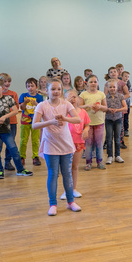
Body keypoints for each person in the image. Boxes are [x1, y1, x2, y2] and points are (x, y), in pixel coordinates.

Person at [32, 79, 82, 216]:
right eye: (53, 89)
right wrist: (51, 122)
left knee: (67, 173)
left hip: (66, 144)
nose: (56, 92)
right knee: (53, 174)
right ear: (47, 91)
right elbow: (34, 125)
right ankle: (53, 204)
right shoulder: (42, 105)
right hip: (50, 144)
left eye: (59, 89)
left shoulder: (66, 104)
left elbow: (77, 119)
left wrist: (65, 119)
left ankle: (70, 202)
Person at [0, 78, 31, 180]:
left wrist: (4, 117)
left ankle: (20, 169)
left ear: (2, 88)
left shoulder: (8, 98)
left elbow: (15, 110)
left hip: (5, 129)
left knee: (13, 149)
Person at [62, 90, 89, 201]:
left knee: (74, 166)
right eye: (69, 97)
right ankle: (66, 190)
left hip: (79, 142)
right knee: (66, 168)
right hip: (66, 143)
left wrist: (86, 130)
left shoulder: (83, 112)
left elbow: (87, 124)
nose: (72, 99)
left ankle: (73, 189)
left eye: (74, 97)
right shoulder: (64, 112)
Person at [79, 75, 107, 171]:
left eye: (95, 81)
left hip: (99, 122)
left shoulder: (101, 94)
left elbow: (105, 108)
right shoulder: (83, 94)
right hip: (88, 124)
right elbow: (79, 107)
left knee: (99, 143)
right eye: (91, 82)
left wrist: (100, 107)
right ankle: (88, 162)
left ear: (98, 83)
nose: (93, 83)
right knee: (89, 143)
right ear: (87, 83)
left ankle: (100, 162)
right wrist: (88, 105)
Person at [19, 77, 43, 167]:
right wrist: (25, 102)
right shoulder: (23, 95)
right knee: (23, 140)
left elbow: (42, 108)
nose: (30, 88)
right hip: (25, 121)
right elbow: (21, 108)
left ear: (36, 87)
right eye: (28, 86)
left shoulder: (39, 97)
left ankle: (35, 156)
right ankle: (22, 156)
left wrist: (36, 104)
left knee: (35, 140)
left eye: (32, 86)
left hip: (36, 122)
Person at [0, 73, 20, 171]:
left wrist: (5, 112)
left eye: (9, 81)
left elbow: (16, 108)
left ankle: (8, 162)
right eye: (4, 81)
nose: (7, 83)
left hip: (12, 122)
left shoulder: (13, 94)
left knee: (10, 143)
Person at [104, 80, 127, 165]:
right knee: (109, 138)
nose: (112, 88)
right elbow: (103, 108)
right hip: (108, 120)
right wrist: (108, 109)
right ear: (108, 88)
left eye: (114, 87)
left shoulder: (120, 96)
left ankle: (117, 155)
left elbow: (125, 107)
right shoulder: (105, 97)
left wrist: (117, 110)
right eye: (110, 87)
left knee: (117, 138)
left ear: (117, 87)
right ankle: (109, 156)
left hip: (118, 119)